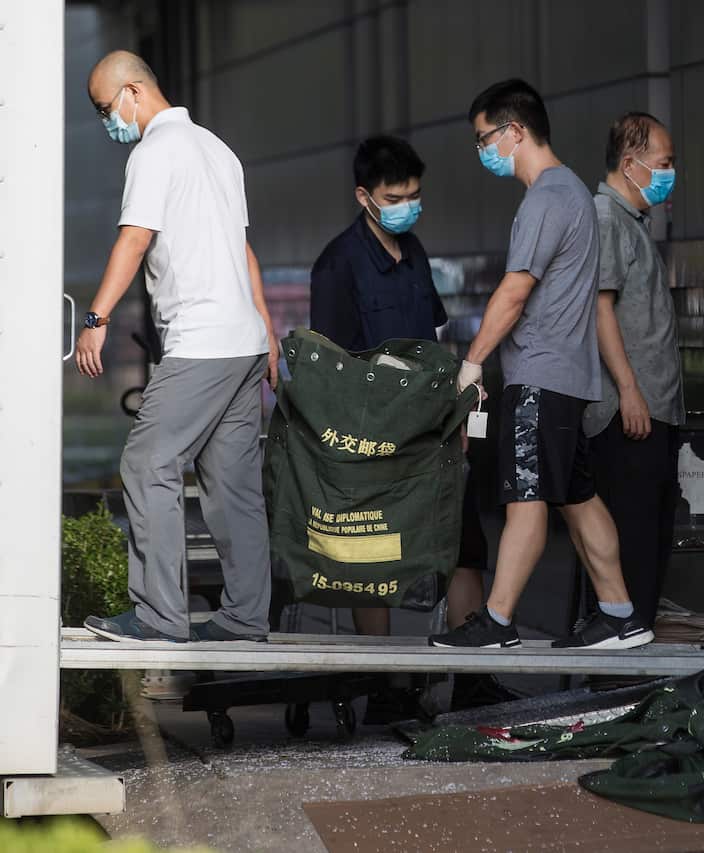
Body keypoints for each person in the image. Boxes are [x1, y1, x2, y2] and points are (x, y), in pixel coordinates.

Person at [428, 79, 651, 650]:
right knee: (576, 498)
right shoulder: (572, 193)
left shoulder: (548, 198)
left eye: (485, 139)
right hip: (569, 379)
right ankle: (620, 613)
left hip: (540, 376)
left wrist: (473, 361)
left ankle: (497, 621)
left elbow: (513, 291)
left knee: (523, 498)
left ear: (515, 131)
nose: (483, 152)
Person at [77, 51, 278, 642]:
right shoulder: (219, 150)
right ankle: (245, 618)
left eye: (103, 108)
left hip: (203, 342)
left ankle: (159, 616)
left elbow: (135, 237)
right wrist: (265, 331)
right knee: (233, 483)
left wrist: (97, 315)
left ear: (133, 92)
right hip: (241, 341)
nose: (105, 122)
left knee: (146, 463)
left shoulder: (155, 151)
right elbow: (243, 251)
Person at [309, 135, 514, 714]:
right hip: (372, 436)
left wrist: (455, 416)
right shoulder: (337, 266)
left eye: (415, 195)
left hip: (432, 431)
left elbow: (436, 340)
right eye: (395, 196)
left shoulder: (416, 252)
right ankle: (385, 686)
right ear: (364, 197)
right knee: (371, 556)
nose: (407, 205)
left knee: (462, 545)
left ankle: (474, 678)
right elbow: (331, 368)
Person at [581, 113, 685, 631]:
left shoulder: (632, 222)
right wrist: (629, 391)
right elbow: (600, 310)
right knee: (631, 548)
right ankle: (618, 672)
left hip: (649, 409)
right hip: (628, 417)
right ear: (630, 164)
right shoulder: (605, 217)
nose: (670, 173)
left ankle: (628, 661)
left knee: (648, 544)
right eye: (663, 164)